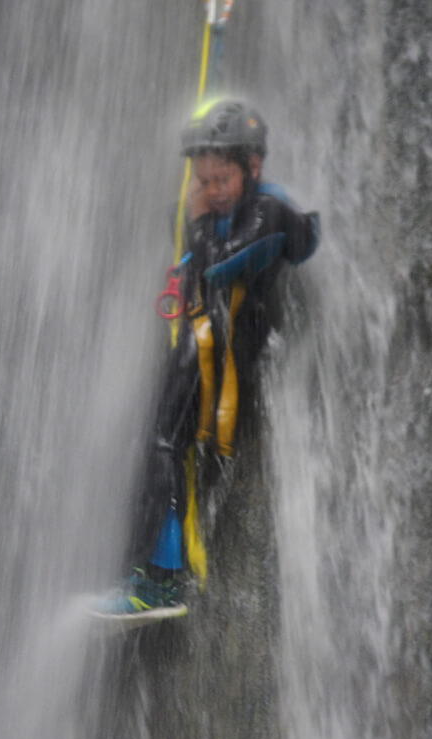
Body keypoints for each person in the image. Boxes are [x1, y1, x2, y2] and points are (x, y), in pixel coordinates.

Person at [97, 98, 320, 615]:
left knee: (162, 445)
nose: (212, 192)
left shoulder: (270, 214)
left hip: (228, 369)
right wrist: (190, 222)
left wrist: (193, 223)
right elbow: (191, 248)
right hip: (200, 355)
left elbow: (224, 265)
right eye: (203, 180)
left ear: (253, 167)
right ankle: (147, 573)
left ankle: (160, 582)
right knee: (151, 444)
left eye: (221, 180)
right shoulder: (219, 211)